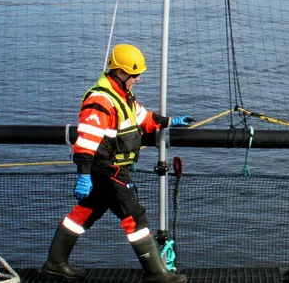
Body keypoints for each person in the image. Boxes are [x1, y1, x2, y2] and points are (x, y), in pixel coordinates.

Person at [42, 44, 194, 282]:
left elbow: (142, 118)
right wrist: (83, 175)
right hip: (107, 170)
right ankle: (156, 273)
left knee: (84, 213)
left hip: (108, 170)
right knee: (134, 217)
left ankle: (55, 263)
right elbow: (86, 141)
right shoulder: (100, 101)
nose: (138, 78)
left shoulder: (123, 97)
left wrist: (168, 121)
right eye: (134, 74)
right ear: (120, 73)